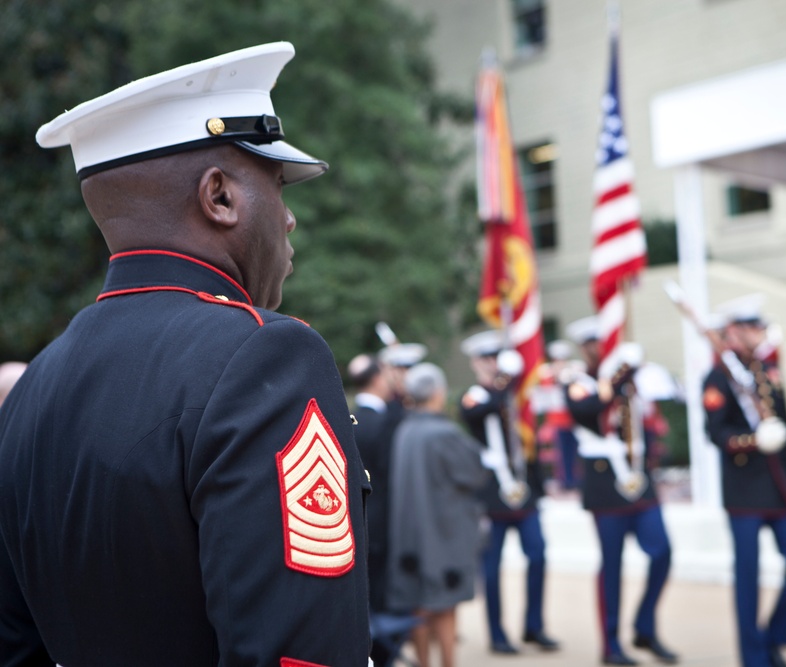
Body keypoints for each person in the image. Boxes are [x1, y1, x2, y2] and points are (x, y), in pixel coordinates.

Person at [0, 43, 372, 666]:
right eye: (278, 187)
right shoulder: (265, 357)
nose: (289, 220)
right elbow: (301, 654)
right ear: (219, 197)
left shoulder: (36, 385)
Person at [703, 296, 786, 667]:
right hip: (745, 490)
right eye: (752, 327)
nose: (760, 333)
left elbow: (783, 424)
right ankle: (754, 658)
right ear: (733, 331)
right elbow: (716, 434)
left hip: (780, 487)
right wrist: (754, 441)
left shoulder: (766, 373)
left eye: (760, 326)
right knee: (748, 577)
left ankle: (773, 640)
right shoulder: (719, 377)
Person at [563, 316, 679, 666]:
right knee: (611, 566)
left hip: (639, 481)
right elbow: (587, 409)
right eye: (599, 343)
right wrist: (618, 376)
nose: (606, 348)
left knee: (661, 552)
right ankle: (610, 643)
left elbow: (663, 399)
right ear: (586, 348)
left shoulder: (629, 378)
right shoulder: (578, 381)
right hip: (605, 486)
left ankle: (646, 626)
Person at [458, 330, 560, 655]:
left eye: (495, 357)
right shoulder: (475, 394)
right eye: (486, 359)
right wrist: (505, 379)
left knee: (539, 554)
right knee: (492, 567)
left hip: (523, 489)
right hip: (491, 492)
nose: (492, 364)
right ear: (476, 362)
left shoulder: (514, 394)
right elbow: (476, 413)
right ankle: (497, 634)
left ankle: (534, 626)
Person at [386, 363, 488, 667]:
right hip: (441, 531)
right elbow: (474, 473)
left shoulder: (405, 429)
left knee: (417, 606)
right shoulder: (443, 433)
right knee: (444, 604)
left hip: (410, 530)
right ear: (437, 393)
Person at [348, 353, 405, 666]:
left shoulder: (350, 416)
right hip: (384, 521)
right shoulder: (387, 419)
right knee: (381, 599)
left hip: (360, 518)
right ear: (379, 380)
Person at [531, 340, 581, 491]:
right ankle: (566, 480)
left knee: (577, 451)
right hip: (557, 421)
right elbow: (544, 393)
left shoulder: (575, 369)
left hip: (575, 419)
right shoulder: (547, 372)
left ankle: (578, 479)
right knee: (562, 452)